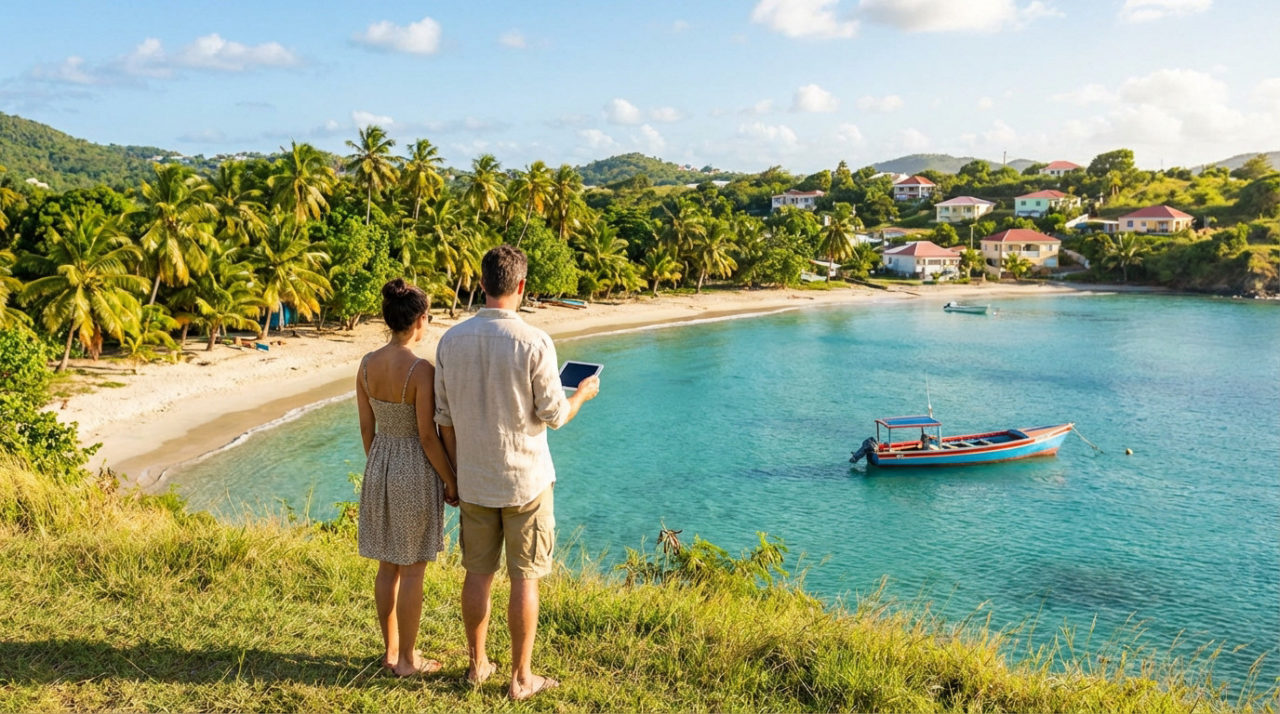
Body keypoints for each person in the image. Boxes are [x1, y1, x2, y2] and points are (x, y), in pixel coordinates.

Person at [434, 245, 599, 701]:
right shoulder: (534, 341)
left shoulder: (450, 341)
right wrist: (582, 394)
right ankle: (521, 677)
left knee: (477, 574)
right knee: (525, 578)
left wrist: (454, 473)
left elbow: (443, 419)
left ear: (481, 283)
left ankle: (476, 665)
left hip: (474, 479)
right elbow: (554, 415)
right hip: (526, 480)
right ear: (522, 286)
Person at [355, 278, 459, 677]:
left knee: (387, 566)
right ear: (419, 320)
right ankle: (408, 661)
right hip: (415, 467)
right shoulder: (420, 369)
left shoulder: (366, 364)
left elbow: (367, 428)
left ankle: (390, 651)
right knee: (414, 568)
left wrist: (379, 464)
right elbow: (428, 438)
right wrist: (451, 481)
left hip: (379, 461)